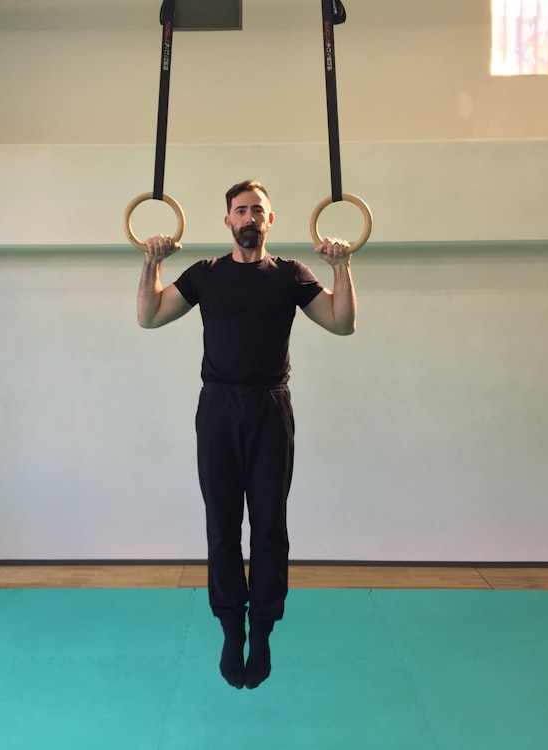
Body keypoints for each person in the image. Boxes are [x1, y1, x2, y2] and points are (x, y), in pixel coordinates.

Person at [137, 179, 356, 689]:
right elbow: (147, 316)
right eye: (241, 210)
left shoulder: (290, 276)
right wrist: (152, 260)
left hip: (269, 406)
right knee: (222, 523)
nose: (249, 216)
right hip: (217, 407)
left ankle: (262, 629)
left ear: (271, 220)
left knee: (269, 525)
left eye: (258, 209)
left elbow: (342, 323)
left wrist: (342, 268)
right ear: (228, 221)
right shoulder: (206, 275)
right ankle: (231, 627)